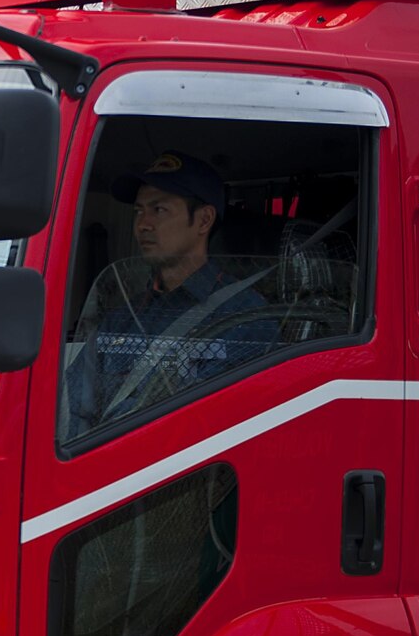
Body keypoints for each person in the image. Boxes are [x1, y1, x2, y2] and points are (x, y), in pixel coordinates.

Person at [65, 151, 267, 436]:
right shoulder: (122, 320)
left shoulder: (247, 320)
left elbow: (203, 426)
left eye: (159, 210)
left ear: (203, 220)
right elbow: (76, 416)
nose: (143, 224)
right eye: (138, 211)